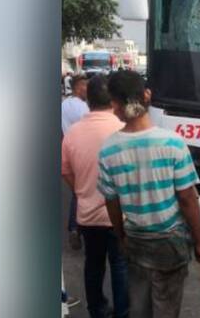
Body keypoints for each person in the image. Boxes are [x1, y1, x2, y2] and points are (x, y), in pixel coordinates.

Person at [98, 70, 200, 318]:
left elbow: (111, 201)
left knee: (139, 308)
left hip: (135, 241)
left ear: (115, 105)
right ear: (147, 95)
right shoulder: (173, 143)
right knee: (166, 309)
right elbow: (187, 198)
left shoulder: (108, 150)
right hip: (169, 244)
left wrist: (121, 236)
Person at [62, 75, 128, 318]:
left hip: (88, 214)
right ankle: (123, 312)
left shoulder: (73, 133)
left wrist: (81, 190)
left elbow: (65, 170)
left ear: (87, 100)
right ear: (113, 100)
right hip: (121, 215)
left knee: (93, 265)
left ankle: (97, 311)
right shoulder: (123, 130)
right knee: (120, 265)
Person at [62, 74, 89, 250]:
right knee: (83, 191)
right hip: (81, 151)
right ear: (78, 87)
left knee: (77, 191)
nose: (88, 89)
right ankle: (81, 227)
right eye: (85, 86)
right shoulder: (83, 108)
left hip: (68, 149)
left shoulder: (64, 104)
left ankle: (74, 229)